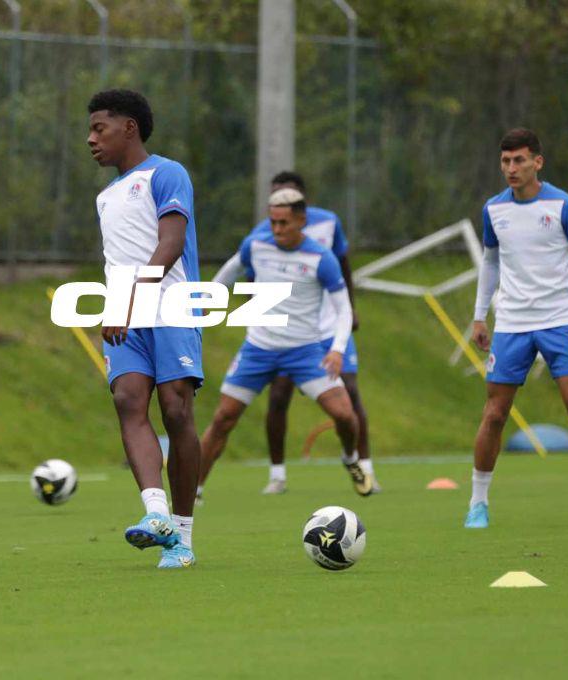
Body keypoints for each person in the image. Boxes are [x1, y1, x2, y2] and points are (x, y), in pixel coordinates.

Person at [466, 127, 568, 529]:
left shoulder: (565, 205)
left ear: (537, 162)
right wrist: (481, 315)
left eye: (518, 160)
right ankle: (477, 504)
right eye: (505, 161)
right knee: (495, 414)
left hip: (561, 320)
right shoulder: (493, 209)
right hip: (512, 323)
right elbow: (491, 263)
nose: (511, 168)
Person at [202, 171, 375, 497]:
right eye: (273, 222)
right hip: (259, 348)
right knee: (223, 418)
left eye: (284, 223)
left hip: (305, 350)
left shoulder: (321, 258)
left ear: (301, 221)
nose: (277, 230)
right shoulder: (256, 245)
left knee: (344, 414)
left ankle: (351, 458)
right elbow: (228, 272)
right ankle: (191, 491)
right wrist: (203, 304)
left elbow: (343, 310)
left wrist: (336, 349)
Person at [87, 88, 202, 568]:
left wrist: (130, 301)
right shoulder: (105, 196)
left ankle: (184, 534)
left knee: (176, 410)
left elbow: (170, 243)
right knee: (127, 401)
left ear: (129, 127)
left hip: (171, 306)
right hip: (127, 316)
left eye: (100, 128)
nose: (91, 139)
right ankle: (155, 515)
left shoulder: (166, 173)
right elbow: (120, 260)